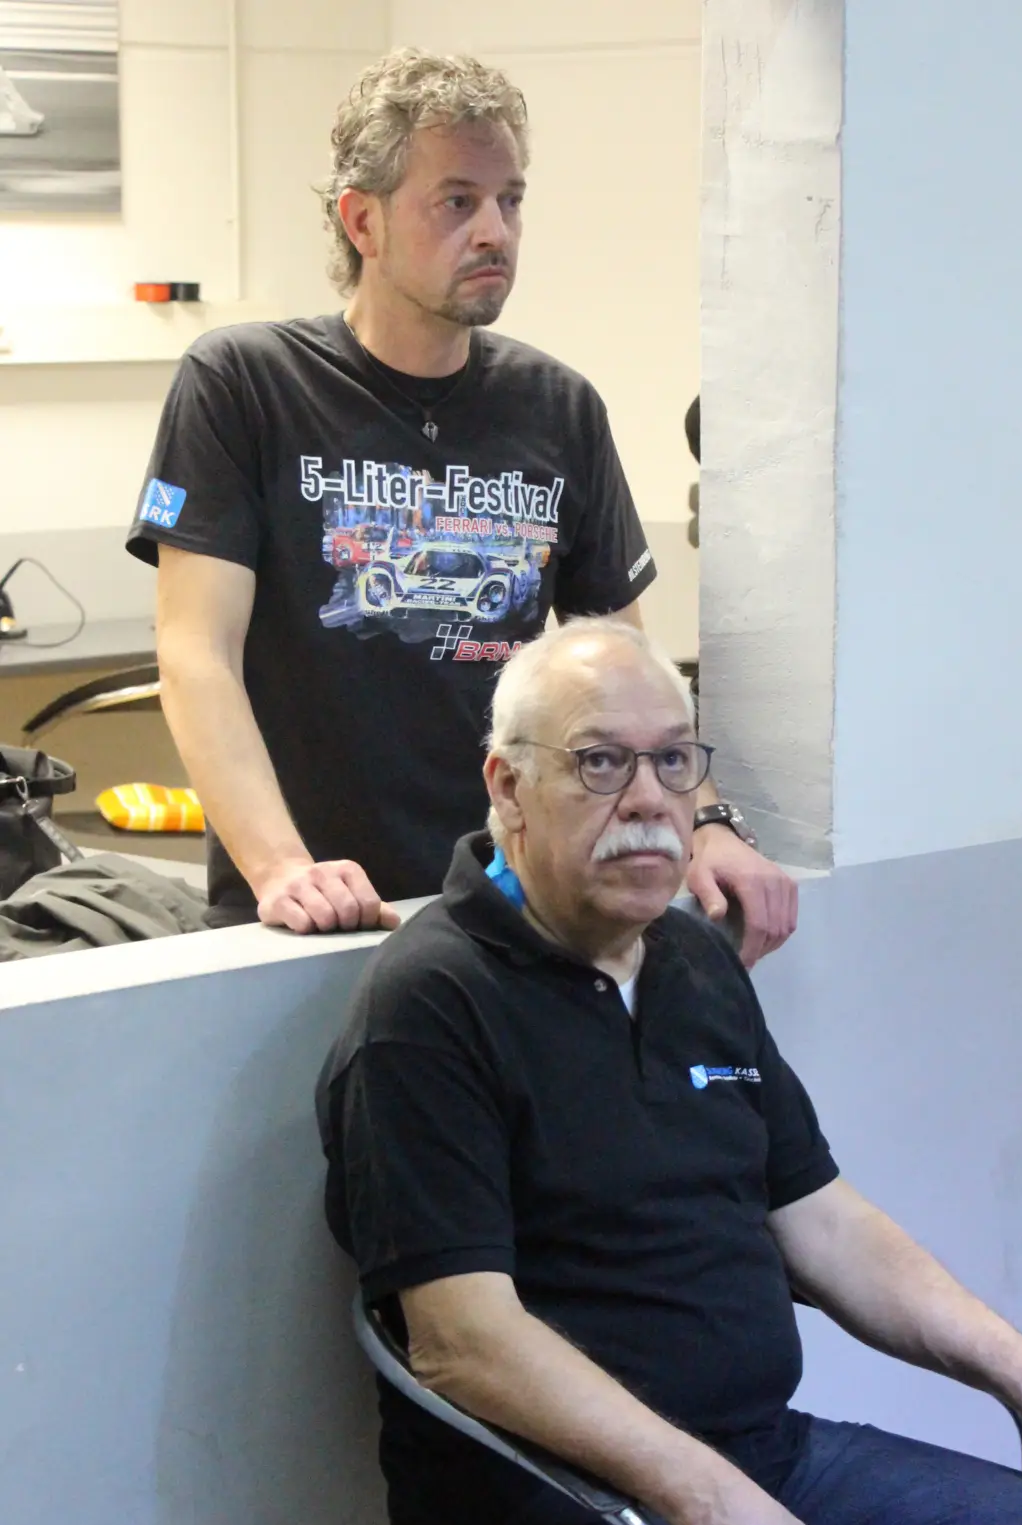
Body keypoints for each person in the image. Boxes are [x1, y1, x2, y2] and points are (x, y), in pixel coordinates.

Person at [317, 617, 1022, 1525]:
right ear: (507, 784)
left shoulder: (689, 961)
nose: (648, 802)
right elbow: (461, 1338)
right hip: (551, 1516)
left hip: (761, 1452)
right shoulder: (431, 1006)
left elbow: (822, 1221)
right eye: (599, 763)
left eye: (674, 762)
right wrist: (711, 1503)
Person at [126, 47, 795, 965]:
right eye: (457, 201)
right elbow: (196, 653)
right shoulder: (246, 385)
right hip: (312, 913)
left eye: (510, 201)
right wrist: (283, 867)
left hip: (515, 910)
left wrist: (705, 824)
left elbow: (626, 679)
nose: (495, 231)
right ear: (362, 220)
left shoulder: (558, 408)